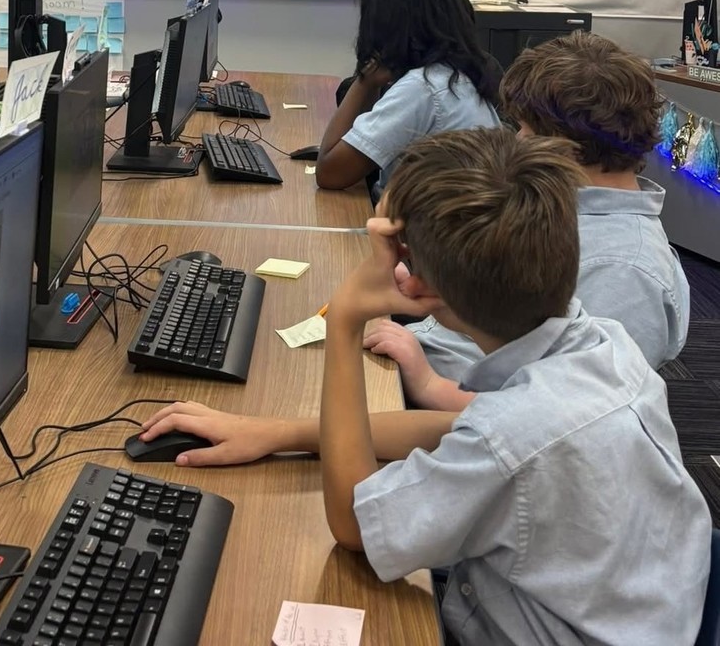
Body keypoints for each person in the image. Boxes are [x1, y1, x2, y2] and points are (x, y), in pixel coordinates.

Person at [141, 128, 712, 644]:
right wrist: (279, 431)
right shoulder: (604, 346)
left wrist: (344, 321)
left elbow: (351, 521)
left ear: (417, 285)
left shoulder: (511, 436)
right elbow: (455, 429)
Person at [367, 31, 690, 408]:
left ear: (564, 146)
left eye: (525, 130)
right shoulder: (562, 208)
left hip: (446, 404)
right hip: (423, 353)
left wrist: (424, 380)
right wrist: (437, 286)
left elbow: (561, 418)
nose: (515, 141)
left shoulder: (624, 271)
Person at [315, 0, 500, 198]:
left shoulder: (423, 89)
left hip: (427, 229)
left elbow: (329, 173)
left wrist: (364, 82)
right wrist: (371, 82)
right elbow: (357, 141)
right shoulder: (453, 76)